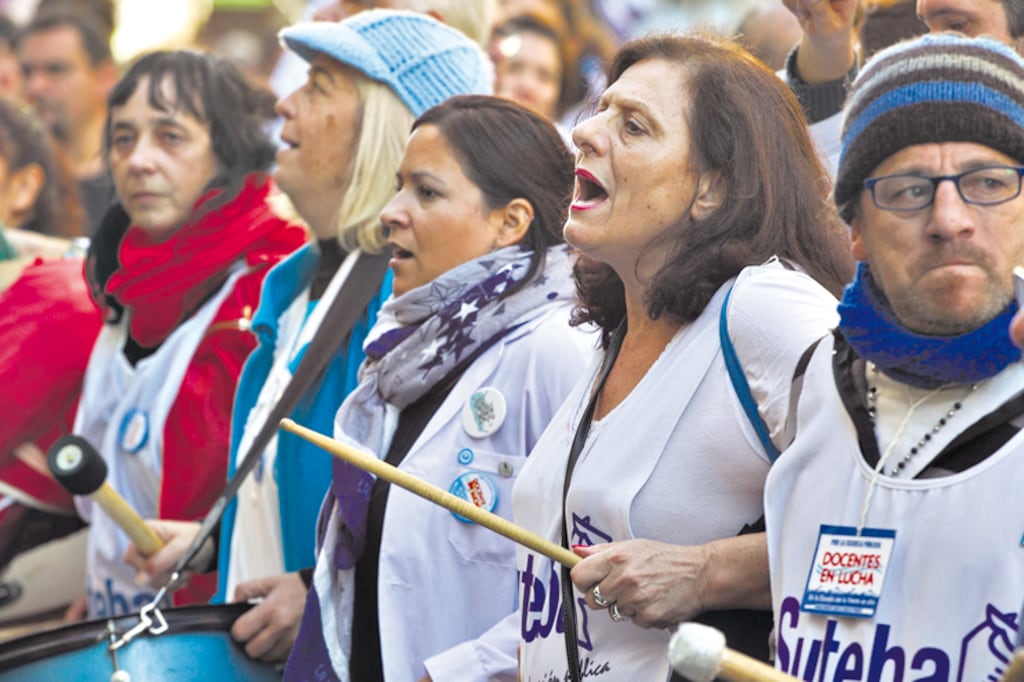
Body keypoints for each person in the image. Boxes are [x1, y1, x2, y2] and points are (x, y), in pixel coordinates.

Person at [124, 9, 494, 663]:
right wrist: (221, 535)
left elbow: (455, 518)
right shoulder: (296, 287)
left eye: (320, 85)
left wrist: (323, 591)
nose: (287, 102)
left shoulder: (407, 300)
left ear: (388, 128)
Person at [513, 32, 853, 680]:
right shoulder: (618, 333)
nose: (588, 134)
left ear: (712, 189)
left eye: (634, 126)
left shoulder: (763, 307)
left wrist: (706, 574)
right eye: (601, 109)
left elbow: (892, 515)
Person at [284, 94, 595, 681]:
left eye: (426, 193)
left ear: (511, 222)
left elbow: (594, 583)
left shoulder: (559, 347)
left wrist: (461, 672)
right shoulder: (405, 351)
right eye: (399, 187)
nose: (391, 212)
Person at [765, 33, 1024, 680]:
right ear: (853, 228)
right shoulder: (810, 379)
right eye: (908, 190)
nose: (949, 218)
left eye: (987, 182)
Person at [64, 49, 306, 620]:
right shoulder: (124, 285)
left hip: (208, 640)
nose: (138, 160)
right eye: (123, 139)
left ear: (226, 153)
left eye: (170, 137)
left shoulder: (268, 291)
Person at [18, 10, 118, 233]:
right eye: (27, 72)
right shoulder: (15, 173)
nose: (35, 86)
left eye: (56, 69)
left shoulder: (134, 173)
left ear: (105, 77)